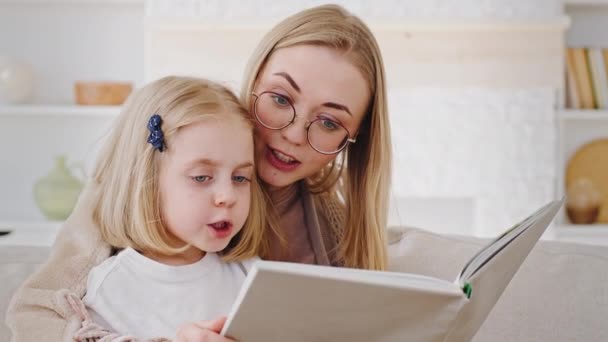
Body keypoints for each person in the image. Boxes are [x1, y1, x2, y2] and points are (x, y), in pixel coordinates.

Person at [6, 4, 393, 341]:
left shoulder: (334, 229)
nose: (292, 134)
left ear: (354, 138)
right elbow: (34, 313)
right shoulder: (130, 195)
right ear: (254, 81)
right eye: (279, 99)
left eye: (328, 122)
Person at [68, 75, 268, 340]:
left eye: (240, 178)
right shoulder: (112, 287)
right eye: (201, 177)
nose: (228, 196)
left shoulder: (250, 275)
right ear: (146, 182)